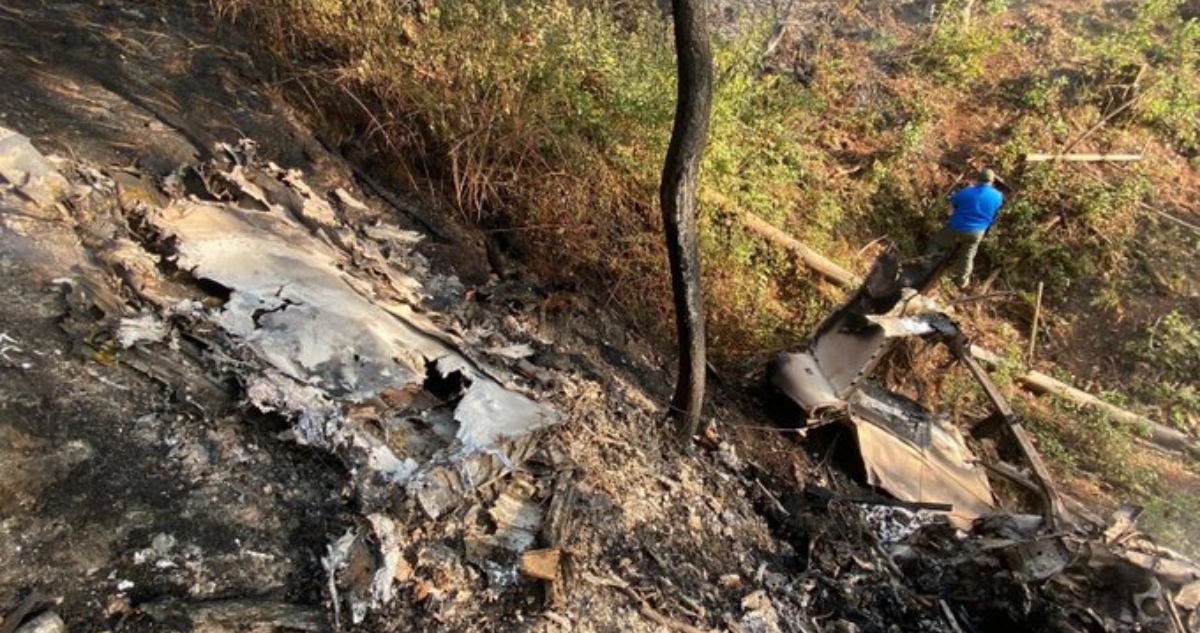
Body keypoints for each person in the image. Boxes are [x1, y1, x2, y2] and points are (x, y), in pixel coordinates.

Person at [926, 168, 1004, 289]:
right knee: (967, 255)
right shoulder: (998, 196)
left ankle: (927, 266)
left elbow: (953, 202)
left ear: (978, 179)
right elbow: (996, 208)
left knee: (936, 243)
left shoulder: (966, 192)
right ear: (992, 181)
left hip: (957, 227)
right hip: (977, 232)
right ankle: (962, 282)